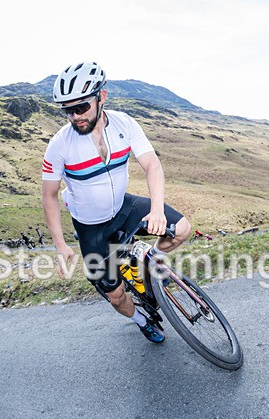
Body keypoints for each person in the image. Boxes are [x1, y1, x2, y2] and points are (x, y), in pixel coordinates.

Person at [41, 61, 191, 344]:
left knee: (181, 229)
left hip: (124, 208)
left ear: (102, 97)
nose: (74, 116)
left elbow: (152, 165)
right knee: (115, 295)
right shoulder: (60, 145)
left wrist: (157, 210)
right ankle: (142, 320)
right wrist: (60, 246)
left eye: (81, 107)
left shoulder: (124, 123)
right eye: (67, 110)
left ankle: (147, 266)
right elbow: (48, 195)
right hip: (91, 228)